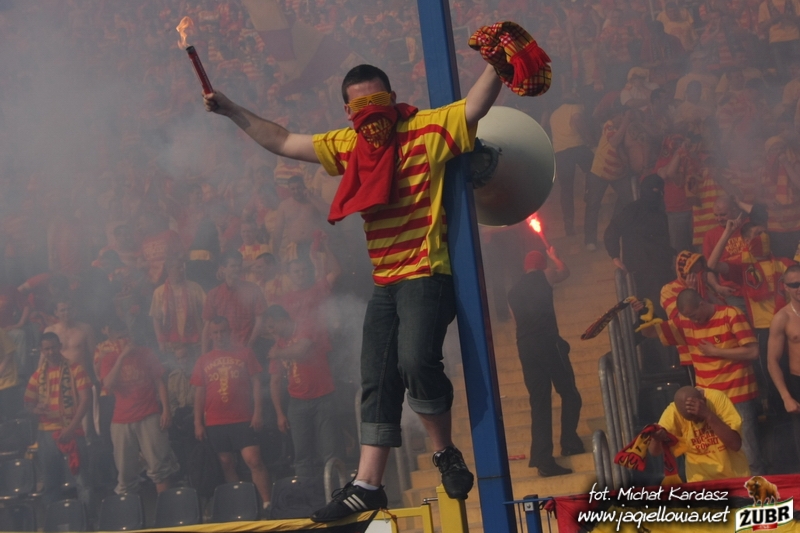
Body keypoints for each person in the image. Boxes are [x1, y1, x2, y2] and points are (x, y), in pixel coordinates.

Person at [204, 60, 503, 521]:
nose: (372, 112)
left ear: (393, 98)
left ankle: (444, 452)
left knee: (414, 360)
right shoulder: (348, 145)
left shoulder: (423, 129)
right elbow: (282, 141)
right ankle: (368, 484)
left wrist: (498, 63)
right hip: (384, 280)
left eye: (379, 100)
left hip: (425, 270)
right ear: (348, 112)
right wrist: (230, 110)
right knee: (376, 376)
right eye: (361, 105)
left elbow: (473, 108)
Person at [641, 289, 765, 474]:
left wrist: (717, 351)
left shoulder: (730, 314)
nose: (693, 320)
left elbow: (753, 351)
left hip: (738, 394)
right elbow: (650, 332)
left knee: (747, 451)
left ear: (701, 303)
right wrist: (642, 313)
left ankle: (756, 487)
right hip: (709, 400)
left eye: (694, 315)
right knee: (717, 451)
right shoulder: (686, 322)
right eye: (688, 317)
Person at [507, 248, 583, 477]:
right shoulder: (545, 275)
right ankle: (569, 441)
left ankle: (543, 459)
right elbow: (565, 272)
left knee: (539, 403)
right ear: (541, 265)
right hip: (548, 342)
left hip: (525, 346)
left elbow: (516, 321)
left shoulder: (512, 291)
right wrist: (555, 256)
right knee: (569, 392)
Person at [191, 316, 271, 511]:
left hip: (243, 418)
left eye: (223, 331)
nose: (219, 336)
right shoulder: (203, 360)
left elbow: (257, 384)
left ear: (229, 332)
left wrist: (258, 412)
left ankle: (267, 503)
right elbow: (199, 393)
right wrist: (198, 423)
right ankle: (242, 505)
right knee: (226, 463)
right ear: (211, 335)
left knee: (254, 459)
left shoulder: (245, 353)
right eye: (216, 332)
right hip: (215, 420)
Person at [98, 318, 179, 495]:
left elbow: (160, 382)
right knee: (125, 473)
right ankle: (131, 510)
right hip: (121, 420)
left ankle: (166, 507)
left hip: (149, 414)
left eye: (126, 335)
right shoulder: (109, 359)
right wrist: (122, 357)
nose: (125, 340)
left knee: (160, 468)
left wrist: (166, 410)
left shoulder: (146, 353)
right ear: (113, 339)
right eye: (120, 337)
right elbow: (108, 385)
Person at [265, 305, 339, 478]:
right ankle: (306, 491)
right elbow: (275, 381)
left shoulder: (305, 327)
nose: (270, 331)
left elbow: (301, 350)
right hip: (297, 402)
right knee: (302, 455)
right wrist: (279, 414)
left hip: (323, 397)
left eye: (272, 326)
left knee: (330, 451)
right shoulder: (279, 346)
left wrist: (278, 353)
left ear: (283, 321)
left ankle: (337, 489)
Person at [23, 333, 93, 510]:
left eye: (53, 347)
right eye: (46, 349)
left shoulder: (76, 369)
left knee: (82, 480)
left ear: (60, 346)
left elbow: (86, 399)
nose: (51, 352)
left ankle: (87, 518)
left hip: (73, 430)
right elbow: (28, 404)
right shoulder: (37, 376)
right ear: (41, 350)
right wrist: (36, 409)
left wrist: (71, 427)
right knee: (51, 482)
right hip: (46, 432)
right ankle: (53, 520)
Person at [603, 174, 675, 315]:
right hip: (642, 273)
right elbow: (612, 230)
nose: (659, 195)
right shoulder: (632, 210)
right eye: (656, 191)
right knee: (649, 313)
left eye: (661, 191)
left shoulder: (660, 213)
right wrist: (615, 257)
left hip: (663, 271)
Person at [648, 386, 750, 481]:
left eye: (697, 418)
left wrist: (708, 415)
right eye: (690, 419)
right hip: (700, 482)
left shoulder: (717, 399)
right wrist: (656, 439)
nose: (696, 422)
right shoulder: (673, 411)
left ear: (704, 401)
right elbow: (654, 452)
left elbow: (735, 444)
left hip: (734, 478)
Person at [584, 110, 634, 251]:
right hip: (600, 172)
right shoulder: (609, 125)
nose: (622, 119)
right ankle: (590, 240)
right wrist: (626, 121)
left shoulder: (627, 128)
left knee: (629, 202)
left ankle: (621, 232)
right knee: (593, 205)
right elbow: (614, 141)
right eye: (621, 116)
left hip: (619, 173)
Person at [201, 251, 267, 353]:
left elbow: (260, 321)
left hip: (248, 349)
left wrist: (249, 347)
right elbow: (207, 327)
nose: (237, 269)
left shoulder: (253, 289)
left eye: (239, 265)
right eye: (233, 266)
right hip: (222, 351)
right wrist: (204, 356)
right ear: (223, 268)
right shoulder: (213, 294)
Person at [766, 265, 800, 458]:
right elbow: (772, 360)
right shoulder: (782, 317)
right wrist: (786, 396)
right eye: (794, 284)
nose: (799, 288)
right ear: (786, 287)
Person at [150, 256, 206, 357]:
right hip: (172, 345)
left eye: (182, 267)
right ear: (169, 269)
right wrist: (160, 342)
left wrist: (205, 336)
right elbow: (156, 319)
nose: (182, 270)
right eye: (178, 267)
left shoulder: (195, 287)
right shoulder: (159, 292)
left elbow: (207, 311)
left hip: (195, 342)